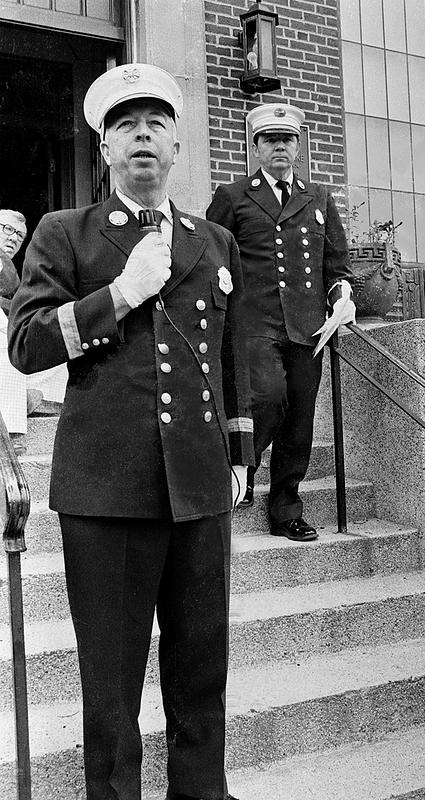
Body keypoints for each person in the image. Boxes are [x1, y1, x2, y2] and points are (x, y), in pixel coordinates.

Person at [8, 62, 254, 800]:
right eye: (124, 124)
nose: (141, 133)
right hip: (106, 489)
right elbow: (25, 345)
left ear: (177, 145)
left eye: (155, 123)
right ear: (105, 150)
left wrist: (240, 457)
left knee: (201, 668)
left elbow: (233, 356)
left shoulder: (213, 240)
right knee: (111, 686)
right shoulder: (65, 232)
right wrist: (118, 294)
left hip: (200, 484)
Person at [207, 102, 355, 542]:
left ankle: (286, 508)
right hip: (254, 321)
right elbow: (210, 255)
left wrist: (343, 298)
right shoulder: (232, 196)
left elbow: (337, 265)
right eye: (270, 139)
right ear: (255, 146)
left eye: (287, 139)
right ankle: (243, 466)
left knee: (301, 417)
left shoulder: (319, 198)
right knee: (268, 399)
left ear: (298, 146)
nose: (279, 147)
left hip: (309, 328)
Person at [0, 209, 28, 447]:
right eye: (7, 229)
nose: (13, 238)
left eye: (20, 236)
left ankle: (31, 397)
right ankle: (8, 430)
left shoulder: (9, 267)